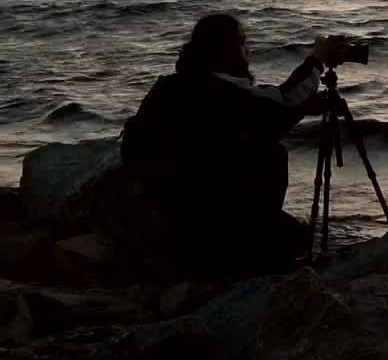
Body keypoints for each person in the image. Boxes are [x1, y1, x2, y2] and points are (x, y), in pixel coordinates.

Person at [121, 13, 340, 266]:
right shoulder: (219, 92)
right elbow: (282, 103)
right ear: (223, 48)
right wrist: (316, 60)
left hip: (170, 206)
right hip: (204, 211)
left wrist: (302, 106)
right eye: (242, 42)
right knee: (273, 159)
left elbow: (265, 109)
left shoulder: (175, 85)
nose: (247, 50)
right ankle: (244, 247)